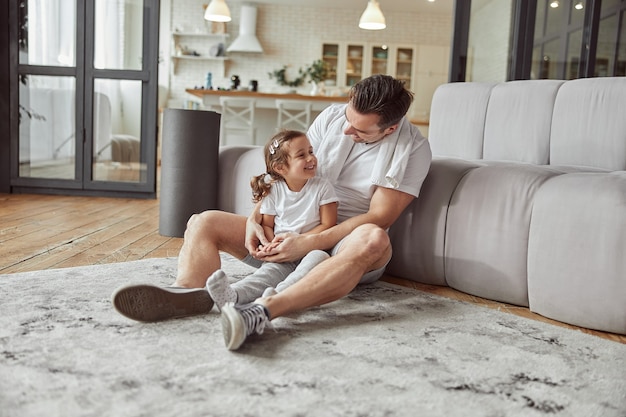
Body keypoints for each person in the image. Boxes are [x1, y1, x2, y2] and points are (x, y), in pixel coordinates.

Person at [112, 74, 432, 351]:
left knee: (374, 239)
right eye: (348, 119)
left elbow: (380, 217)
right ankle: (190, 295)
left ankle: (263, 310)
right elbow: (289, 171)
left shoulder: (412, 150)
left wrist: (310, 242)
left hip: (344, 245)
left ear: (389, 130)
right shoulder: (333, 118)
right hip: (293, 227)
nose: (347, 130)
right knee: (203, 222)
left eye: (360, 130)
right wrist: (255, 218)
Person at [206, 129, 338, 310]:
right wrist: (270, 245)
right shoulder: (274, 191)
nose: (311, 158)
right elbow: (267, 224)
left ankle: (277, 296)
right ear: (280, 168)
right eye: (302, 155)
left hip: (312, 248)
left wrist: (302, 241)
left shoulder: (323, 187)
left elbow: (328, 224)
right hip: (283, 251)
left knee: (320, 258)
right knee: (267, 274)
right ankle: (233, 295)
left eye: (311, 152)